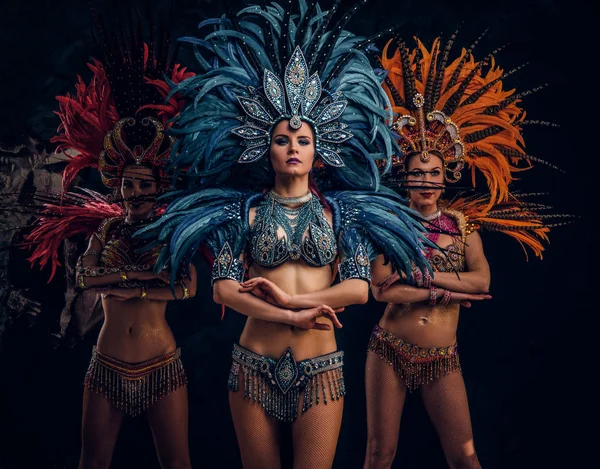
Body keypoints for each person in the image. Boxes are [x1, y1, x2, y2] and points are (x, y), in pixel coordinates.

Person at [137, 2, 432, 468]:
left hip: (321, 370)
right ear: (264, 148)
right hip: (252, 364)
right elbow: (224, 288)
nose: (293, 147)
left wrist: (292, 305)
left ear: (320, 150)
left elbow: (358, 289)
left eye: (303, 140)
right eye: (282, 140)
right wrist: (291, 317)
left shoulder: (342, 213)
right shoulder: (243, 211)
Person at [364, 36, 561, 469]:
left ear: (446, 174)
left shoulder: (463, 225)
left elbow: (483, 281)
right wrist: (453, 292)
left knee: (465, 455)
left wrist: (427, 281)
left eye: (434, 172)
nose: (427, 181)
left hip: (442, 356)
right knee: (380, 453)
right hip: (389, 350)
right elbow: (382, 292)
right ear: (406, 178)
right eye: (418, 173)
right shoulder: (388, 224)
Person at [24, 31, 197, 469]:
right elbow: (85, 279)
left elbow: (187, 288)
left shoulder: (169, 231)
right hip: (105, 367)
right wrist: (143, 279)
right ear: (116, 185)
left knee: (177, 463)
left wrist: (124, 284)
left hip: (163, 364)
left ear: (160, 186)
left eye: (144, 183)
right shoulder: (105, 228)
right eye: (128, 183)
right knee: (92, 463)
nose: (134, 191)